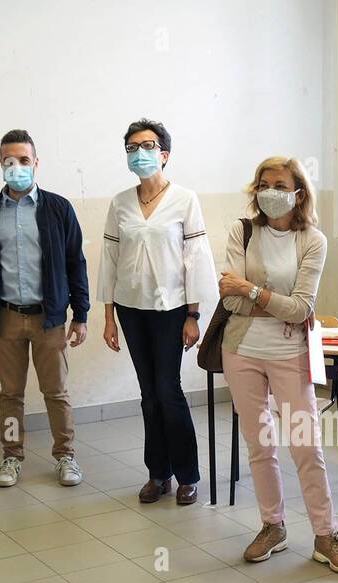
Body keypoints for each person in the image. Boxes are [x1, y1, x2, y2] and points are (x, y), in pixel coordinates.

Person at [218, 157, 338, 573]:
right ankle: (272, 525)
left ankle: (326, 534)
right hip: (240, 352)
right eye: (263, 183)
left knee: (305, 446)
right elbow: (229, 299)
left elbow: (302, 309)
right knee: (260, 445)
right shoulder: (241, 231)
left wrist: (253, 291)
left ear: (298, 193)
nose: (269, 192)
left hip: (289, 354)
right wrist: (273, 301)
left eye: (279, 184)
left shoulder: (313, 240)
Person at [98, 118, 215, 506]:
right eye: (132, 148)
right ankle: (157, 474)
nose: (139, 153)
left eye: (147, 146)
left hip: (171, 310)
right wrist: (108, 316)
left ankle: (187, 476)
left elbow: (195, 260)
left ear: (164, 154)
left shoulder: (185, 199)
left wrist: (193, 315)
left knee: (169, 390)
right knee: (148, 394)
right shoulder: (120, 203)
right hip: (132, 310)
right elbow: (110, 260)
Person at [0, 129, 88, 488]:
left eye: (23, 160)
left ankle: (66, 456)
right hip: (5, 317)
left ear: (36, 163)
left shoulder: (58, 207)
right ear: (0, 164)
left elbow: (75, 262)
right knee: (10, 394)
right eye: (9, 160)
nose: (16, 166)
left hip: (48, 316)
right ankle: (11, 457)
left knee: (56, 391)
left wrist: (80, 314)